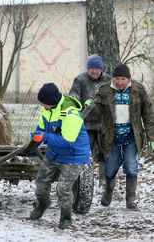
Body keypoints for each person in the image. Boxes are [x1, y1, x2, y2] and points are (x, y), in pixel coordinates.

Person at [29, 82, 91, 229]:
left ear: (52, 101)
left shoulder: (71, 112)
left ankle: (65, 219)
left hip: (73, 156)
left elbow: (67, 141)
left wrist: (44, 137)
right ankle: (43, 205)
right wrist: (34, 142)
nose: (42, 105)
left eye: (44, 103)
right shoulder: (46, 109)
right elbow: (41, 128)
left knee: (63, 189)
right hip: (54, 153)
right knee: (41, 184)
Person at [92, 64, 154, 209]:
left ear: (128, 79)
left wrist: (151, 137)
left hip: (132, 137)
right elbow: (95, 113)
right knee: (110, 169)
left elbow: (148, 114)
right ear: (113, 78)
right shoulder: (104, 90)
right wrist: (90, 105)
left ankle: (130, 200)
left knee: (132, 167)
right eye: (117, 79)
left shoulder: (138, 90)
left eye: (123, 79)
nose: (120, 82)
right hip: (111, 137)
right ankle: (107, 193)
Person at [69, 54, 110, 187]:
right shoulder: (80, 80)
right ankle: (81, 180)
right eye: (92, 68)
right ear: (87, 69)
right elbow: (73, 95)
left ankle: (104, 179)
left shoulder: (108, 80)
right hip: (86, 124)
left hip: (103, 123)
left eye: (97, 68)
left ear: (101, 69)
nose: (94, 71)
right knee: (84, 153)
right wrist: (79, 102)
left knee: (105, 152)